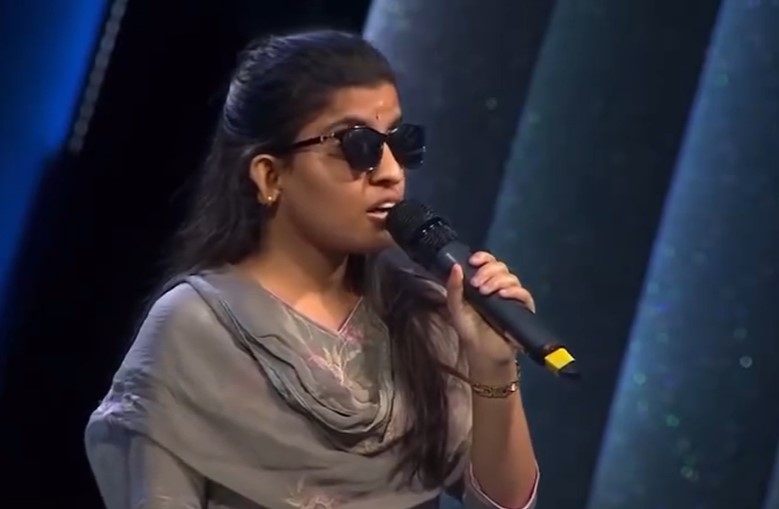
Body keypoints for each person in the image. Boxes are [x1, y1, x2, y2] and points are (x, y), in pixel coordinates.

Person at [84, 29, 540, 509]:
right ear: (270, 175)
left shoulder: (424, 316)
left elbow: (506, 504)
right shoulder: (195, 328)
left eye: (400, 143)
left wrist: (493, 368)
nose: (391, 173)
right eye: (358, 145)